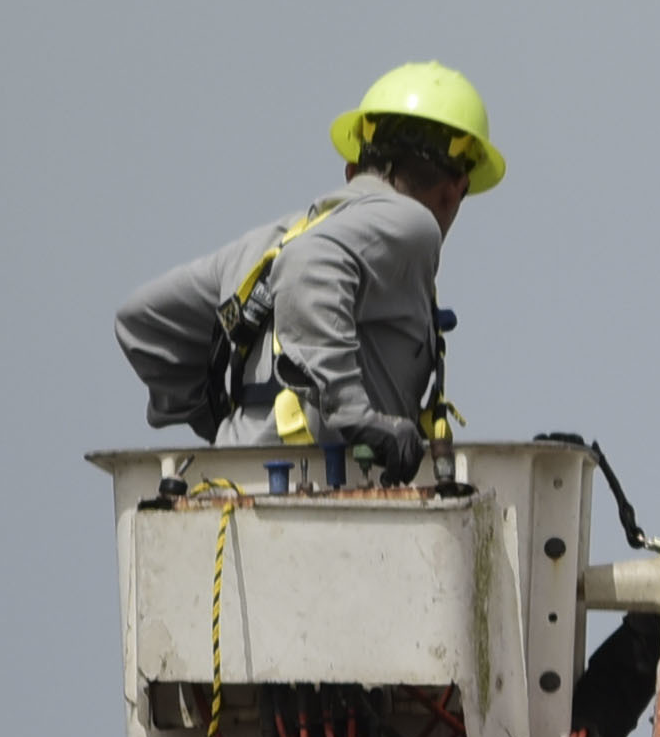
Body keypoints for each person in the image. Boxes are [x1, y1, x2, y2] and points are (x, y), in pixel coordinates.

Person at [116, 63, 501, 485]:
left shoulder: (268, 242)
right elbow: (308, 268)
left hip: (230, 490)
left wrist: (233, 432)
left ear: (353, 170)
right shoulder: (412, 223)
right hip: (323, 503)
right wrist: (353, 413)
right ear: (455, 189)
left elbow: (144, 321)